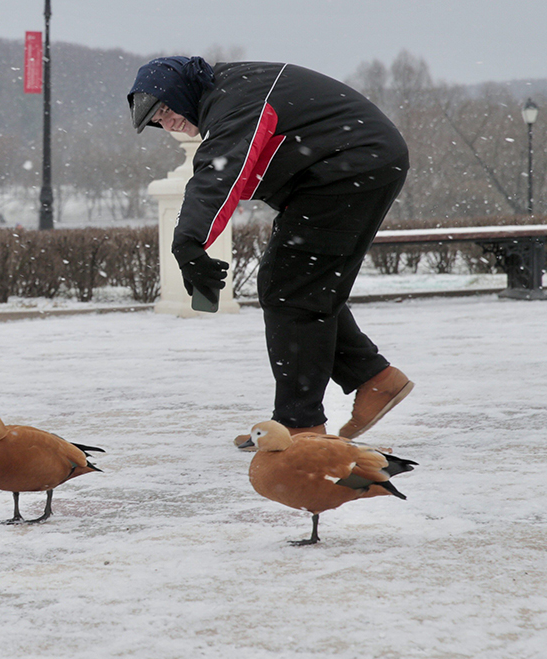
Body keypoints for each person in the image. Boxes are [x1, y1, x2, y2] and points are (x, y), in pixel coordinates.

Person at [128, 56, 414, 439]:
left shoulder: (236, 99)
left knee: (290, 291)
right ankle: (374, 380)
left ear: (182, 90)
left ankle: (300, 428)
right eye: (157, 121)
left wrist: (188, 243)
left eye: (166, 110)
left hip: (350, 169)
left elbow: (218, 172)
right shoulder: (232, 91)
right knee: (302, 287)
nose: (168, 124)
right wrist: (191, 243)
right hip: (349, 169)